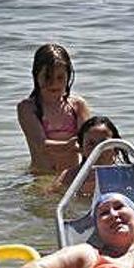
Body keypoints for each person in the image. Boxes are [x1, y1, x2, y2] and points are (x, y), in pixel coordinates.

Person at [17, 43, 92, 175]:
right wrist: (69, 145)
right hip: (42, 175)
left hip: (71, 176)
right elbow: (41, 144)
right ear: (36, 75)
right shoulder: (27, 108)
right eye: (47, 77)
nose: (54, 83)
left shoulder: (78, 106)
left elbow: (88, 142)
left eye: (60, 77)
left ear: (68, 76)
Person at [48, 115, 134, 195]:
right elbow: (49, 199)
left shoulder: (127, 175)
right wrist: (79, 193)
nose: (97, 148)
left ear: (116, 148)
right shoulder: (70, 176)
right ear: (81, 149)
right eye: (91, 143)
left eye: (104, 143)